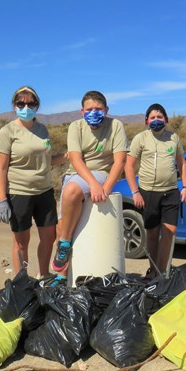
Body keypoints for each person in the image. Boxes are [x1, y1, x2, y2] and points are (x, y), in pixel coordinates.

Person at [0, 86, 67, 277]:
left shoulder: (42, 129)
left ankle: (44, 274)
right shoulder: (7, 131)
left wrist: (67, 156)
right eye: (21, 103)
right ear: (14, 106)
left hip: (44, 191)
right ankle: (21, 280)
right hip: (19, 192)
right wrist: (1, 200)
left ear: (37, 105)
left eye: (31, 103)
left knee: (49, 237)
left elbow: (46, 160)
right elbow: (1, 168)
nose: (26, 106)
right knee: (21, 241)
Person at [51, 90, 129, 278]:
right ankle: (62, 276)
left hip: (102, 174)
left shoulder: (116, 126)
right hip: (77, 174)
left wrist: (106, 188)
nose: (94, 112)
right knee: (61, 226)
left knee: (71, 191)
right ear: (82, 111)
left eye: (98, 108)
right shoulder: (75, 127)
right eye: (89, 109)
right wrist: (92, 184)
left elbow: (120, 161)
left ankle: (65, 244)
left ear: (106, 109)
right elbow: (76, 159)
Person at [124, 103, 186, 278]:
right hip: (148, 193)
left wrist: (185, 186)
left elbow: (182, 163)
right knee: (152, 234)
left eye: (159, 117)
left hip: (171, 193)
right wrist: (135, 192)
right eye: (152, 118)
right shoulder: (140, 138)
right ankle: (152, 270)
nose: (156, 120)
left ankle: (162, 272)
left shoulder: (173, 138)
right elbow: (129, 166)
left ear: (166, 120)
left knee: (169, 232)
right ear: (147, 121)